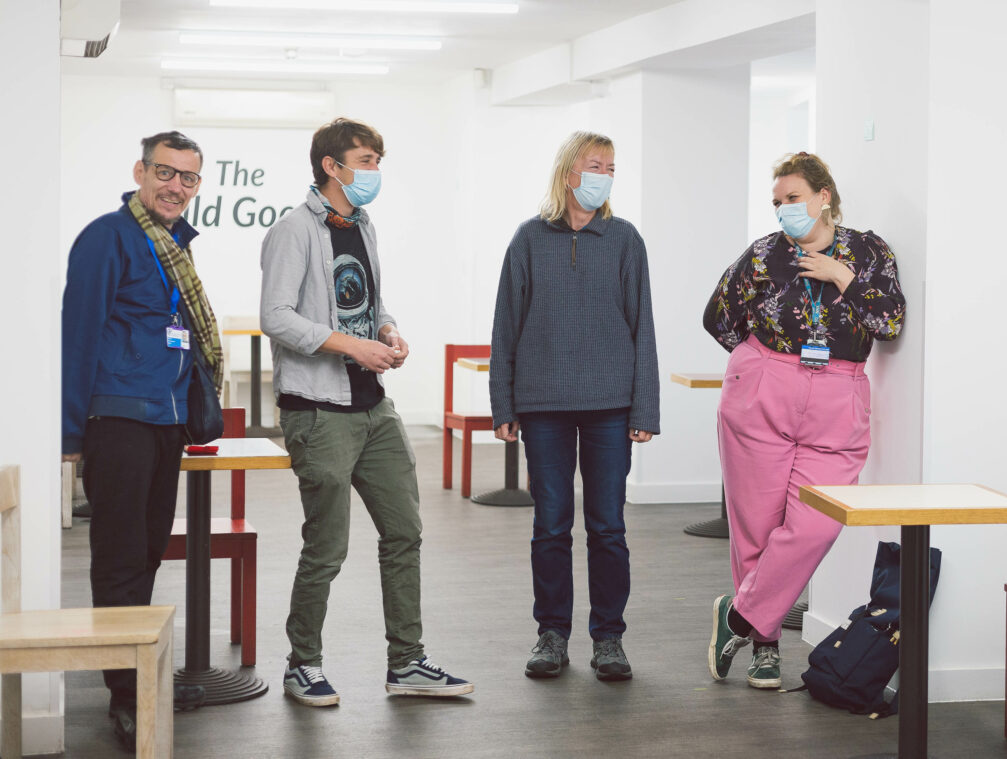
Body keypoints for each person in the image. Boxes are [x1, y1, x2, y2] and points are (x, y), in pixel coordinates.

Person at [260, 117, 472, 706]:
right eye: (366, 160)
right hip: (319, 412)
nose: (374, 171)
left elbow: (368, 302)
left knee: (404, 534)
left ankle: (406, 662)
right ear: (333, 166)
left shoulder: (362, 225)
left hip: (375, 408)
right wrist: (351, 345)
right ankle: (303, 664)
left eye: (379, 161)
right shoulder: (291, 230)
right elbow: (276, 316)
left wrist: (387, 329)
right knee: (326, 547)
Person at [703, 151, 906, 689]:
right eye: (777, 202)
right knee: (756, 525)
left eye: (793, 198)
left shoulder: (868, 251)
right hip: (763, 389)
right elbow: (719, 315)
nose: (784, 210)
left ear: (825, 197)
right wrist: (763, 366)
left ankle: (740, 615)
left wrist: (842, 276)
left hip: (839, 394)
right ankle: (765, 648)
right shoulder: (766, 254)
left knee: (819, 521)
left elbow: (888, 322)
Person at [61, 130, 219, 748]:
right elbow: (78, 336)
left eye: (188, 177)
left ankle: (139, 672)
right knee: (122, 559)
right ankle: (125, 696)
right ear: (141, 171)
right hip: (119, 422)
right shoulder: (108, 237)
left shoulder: (175, 246)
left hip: (166, 422)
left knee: (150, 552)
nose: (176, 186)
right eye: (165, 172)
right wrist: (72, 435)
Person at [489, 130, 660, 682]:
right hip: (543, 405)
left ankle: (608, 638)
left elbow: (643, 329)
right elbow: (506, 327)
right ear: (569, 173)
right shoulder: (529, 239)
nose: (604, 175)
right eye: (595, 165)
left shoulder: (625, 240)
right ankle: (552, 634)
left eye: (611, 167)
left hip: (611, 404)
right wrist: (503, 403)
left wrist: (644, 410)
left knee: (608, 526)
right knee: (550, 524)